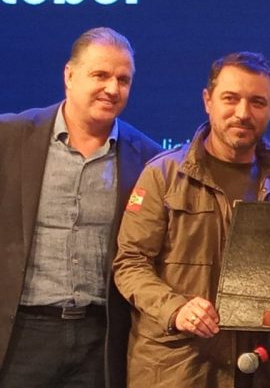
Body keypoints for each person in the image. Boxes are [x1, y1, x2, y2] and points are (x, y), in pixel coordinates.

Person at [113, 52, 270, 388]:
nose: (243, 113)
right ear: (207, 101)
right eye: (230, 98)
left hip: (257, 370)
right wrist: (176, 309)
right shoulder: (163, 175)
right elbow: (129, 264)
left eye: (257, 102)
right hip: (177, 371)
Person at [0, 27, 162, 388]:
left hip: (101, 340)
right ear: (69, 75)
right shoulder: (9, 137)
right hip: (19, 334)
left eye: (123, 79)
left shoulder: (148, 159)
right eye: (100, 75)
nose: (112, 89)